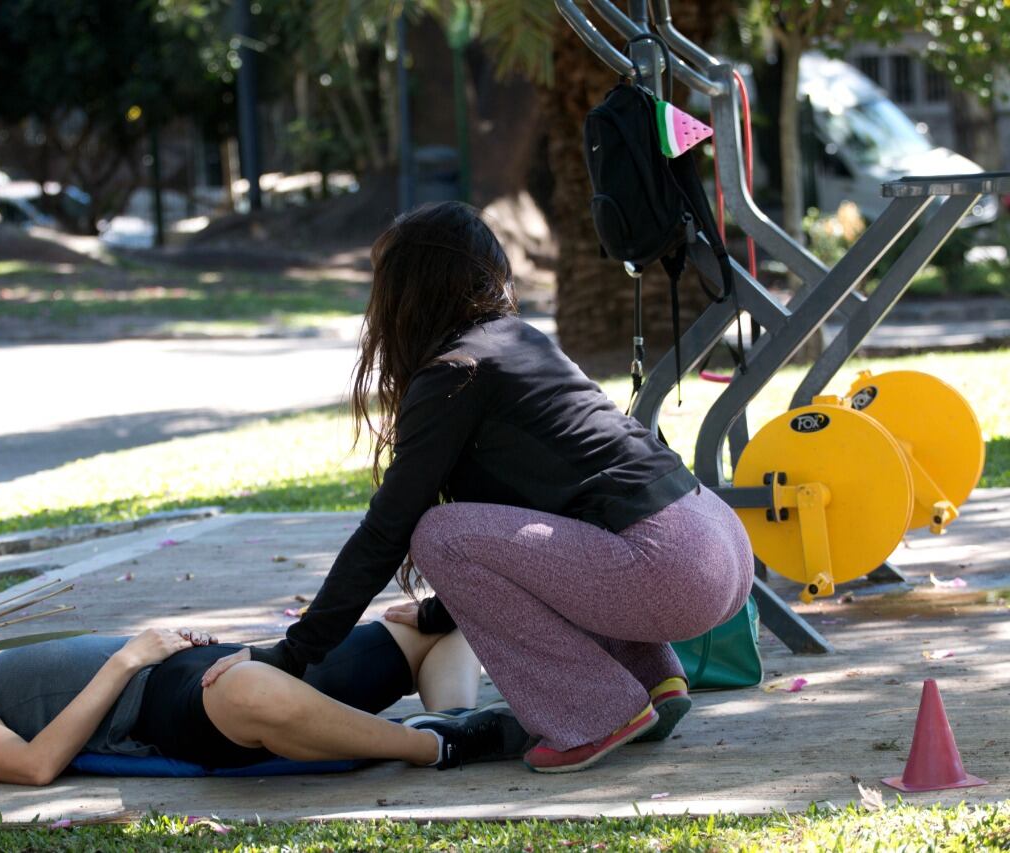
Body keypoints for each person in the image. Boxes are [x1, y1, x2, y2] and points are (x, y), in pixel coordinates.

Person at [201, 201, 754, 774]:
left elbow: (388, 529)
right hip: (715, 542)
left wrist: (293, 654)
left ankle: (596, 712)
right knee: (500, 531)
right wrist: (443, 613)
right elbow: (542, 537)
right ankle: (652, 677)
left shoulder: (454, 372)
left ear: (407, 293)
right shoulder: (518, 341)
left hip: (670, 570)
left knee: (438, 534)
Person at [0, 606, 529, 786]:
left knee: (436, 623)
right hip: (166, 702)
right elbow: (36, 764)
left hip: (206, 662)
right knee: (251, 691)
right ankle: (431, 744)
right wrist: (131, 655)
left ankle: (457, 718)